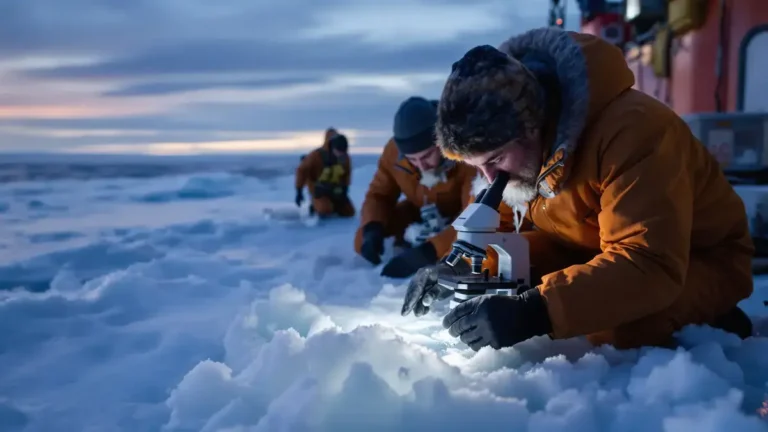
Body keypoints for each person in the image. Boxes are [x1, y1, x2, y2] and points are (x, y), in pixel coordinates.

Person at [400, 27, 755, 351]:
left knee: (616, 328)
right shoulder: (522, 159)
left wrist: (535, 312)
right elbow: (501, 230)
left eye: (494, 159)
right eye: (475, 167)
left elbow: (648, 262)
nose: (489, 178)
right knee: (512, 273)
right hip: (591, 248)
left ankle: (713, 321)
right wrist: (457, 267)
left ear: (532, 127)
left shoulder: (634, 132)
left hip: (695, 260)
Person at [355, 96, 477, 278]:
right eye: (412, 160)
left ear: (441, 144)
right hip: (419, 212)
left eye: (427, 156)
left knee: (463, 249)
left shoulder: (467, 154)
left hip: (459, 217)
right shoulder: (393, 152)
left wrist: (428, 252)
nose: (421, 166)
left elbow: (475, 219)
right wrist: (373, 227)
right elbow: (379, 194)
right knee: (362, 239)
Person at [295, 128, 355, 218]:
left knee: (349, 212)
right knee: (325, 210)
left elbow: (347, 174)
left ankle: (333, 204)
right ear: (333, 147)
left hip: (336, 189)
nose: (341, 154)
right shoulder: (316, 156)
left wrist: (345, 189)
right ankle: (315, 206)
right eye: (339, 151)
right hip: (319, 190)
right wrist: (299, 191)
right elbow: (301, 170)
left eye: (343, 151)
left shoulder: (345, 158)